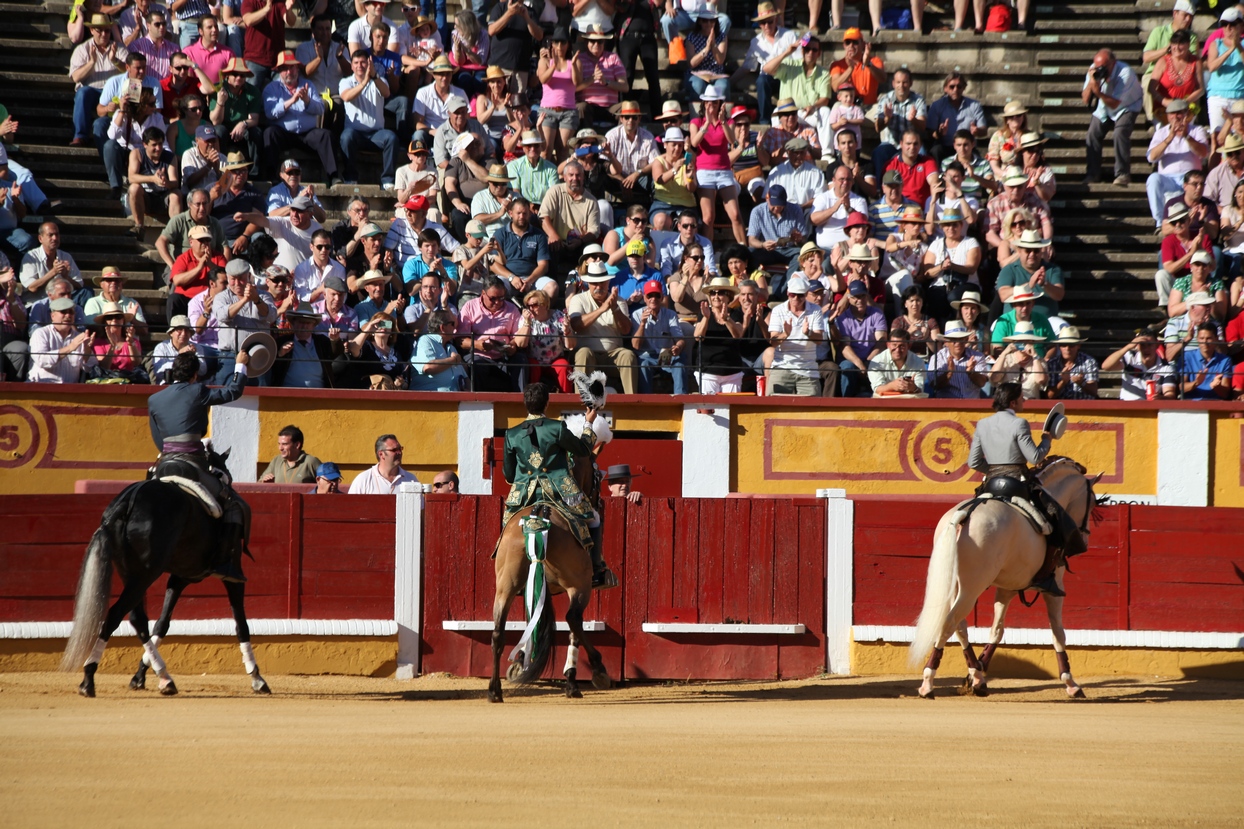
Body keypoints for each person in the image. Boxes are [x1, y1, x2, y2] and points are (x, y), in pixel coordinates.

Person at [967, 382, 1085, 597]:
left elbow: (973, 462)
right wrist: (1046, 440)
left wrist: (995, 472)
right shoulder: (1019, 423)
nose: (1024, 401)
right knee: (1055, 519)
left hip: (990, 485)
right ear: (1013, 402)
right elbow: (1036, 457)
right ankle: (1045, 576)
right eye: (1022, 398)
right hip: (1016, 485)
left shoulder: (982, 424)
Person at [146, 349, 251, 581]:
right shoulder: (197, 391)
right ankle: (224, 562)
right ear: (195, 374)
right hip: (191, 464)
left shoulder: (154, 399)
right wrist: (240, 366)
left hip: (163, 465)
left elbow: (157, 439)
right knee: (233, 504)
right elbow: (233, 391)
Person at [261, 51, 340, 187]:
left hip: (307, 134)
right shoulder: (271, 88)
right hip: (283, 133)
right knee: (269, 133)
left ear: (297, 68)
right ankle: (270, 175)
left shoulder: (308, 85)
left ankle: (333, 176)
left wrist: (307, 101)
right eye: (285, 68)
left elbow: (320, 109)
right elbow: (270, 113)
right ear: (279, 70)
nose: (289, 71)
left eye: (292, 67)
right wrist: (291, 101)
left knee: (325, 135)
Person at [568, 263, 637, 394]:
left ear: (608, 282)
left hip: (612, 355)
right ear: (588, 283)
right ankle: (580, 402)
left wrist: (615, 308)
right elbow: (576, 325)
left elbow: (626, 330)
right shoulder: (578, 299)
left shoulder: (619, 301)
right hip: (589, 355)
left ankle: (631, 402)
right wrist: (602, 309)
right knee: (583, 353)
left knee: (628, 355)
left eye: (602, 283)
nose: (599, 287)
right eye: (595, 283)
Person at [1082, 49, 1143, 186]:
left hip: (1127, 106)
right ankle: (1093, 174)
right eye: (1097, 67)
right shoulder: (1093, 70)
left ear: (1113, 64)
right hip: (1104, 107)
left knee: (1120, 133)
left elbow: (1115, 104)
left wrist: (1099, 93)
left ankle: (1123, 174)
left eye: (1103, 67)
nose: (1099, 70)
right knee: (1092, 134)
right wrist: (1091, 85)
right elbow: (1086, 100)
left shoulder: (1125, 73)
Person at [1145, 99, 1209, 228]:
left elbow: (1203, 153)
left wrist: (1186, 136)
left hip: (1190, 178)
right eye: (1172, 114)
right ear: (1168, 116)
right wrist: (1169, 138)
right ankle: (1159, 223)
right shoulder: (1161, 133)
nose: (1175, 117)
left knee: (1196, 183)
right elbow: (1151, 157)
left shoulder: (1197, 130)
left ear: (1186, 114)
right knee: (1153, 179)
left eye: (1179, 113)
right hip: (1168, 179)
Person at [456, 275, 521, 391]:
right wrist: (476, 344)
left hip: (503, 356)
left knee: (521, 360)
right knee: (476, 365)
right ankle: (477, 404)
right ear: (483, 293)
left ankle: (521, 401)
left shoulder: (512, 309)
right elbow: (460, 339)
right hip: (478, 355)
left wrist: (513, 345)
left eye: (501, 298)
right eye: (493, 298)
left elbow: (517, 337)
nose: (497, 302)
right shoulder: (470, 307)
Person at [734, 2, 796, 122]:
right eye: (763, 22)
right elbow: (747, 67)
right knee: (762, 80)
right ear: (759, 24)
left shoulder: (789, 35)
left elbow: (799, 61)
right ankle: (764, 121)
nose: (766, 25)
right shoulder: (756, 42)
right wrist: (730, 82)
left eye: (770, 21)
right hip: (768, 79)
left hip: (787, 78)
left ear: (776, 19)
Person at [767, 275, 824, 396]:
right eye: (793, 295)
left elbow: (819, 340)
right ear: (788, 293)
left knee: (812, 411)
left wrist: (808, 333)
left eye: (800, 295)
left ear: (806, 294)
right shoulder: (778, 310)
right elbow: (773, 342)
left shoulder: (816, 310)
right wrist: (785, 334)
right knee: (772, 406)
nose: (796, 298)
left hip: (808, 368)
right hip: (782, 366)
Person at [630, 278, 687, 393]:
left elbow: (680, 339)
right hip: (646, 356)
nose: (653, 299)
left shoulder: (670, 314)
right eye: (650, 295)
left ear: (662, 297)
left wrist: (678, 347)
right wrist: (642, 324)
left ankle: (681, 399)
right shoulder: (636, 314)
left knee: (679, 363)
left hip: (664, 353)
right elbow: (635, 346)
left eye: (657, 295)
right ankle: (645, 402)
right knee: (644, 365)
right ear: (645, 298)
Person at [513, 287, 573, 392]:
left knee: (564, 366)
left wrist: (567, 330)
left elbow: (571, 345)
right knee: (532, 367)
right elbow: (520, 344)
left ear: (545, 305)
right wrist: (527, 323)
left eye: (535, 305)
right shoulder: (526, 318)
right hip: (534, 359)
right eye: (528, 306)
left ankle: (565, 400)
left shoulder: (558, 316)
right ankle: (532, 398)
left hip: (555, 359)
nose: (531, 309)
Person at [26, 297, 98, 384]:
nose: (68, 315)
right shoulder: (40, 333)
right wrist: (70, 347)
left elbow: (90, 368)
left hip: (69, 391)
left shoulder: (79, 337)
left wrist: (87, 351)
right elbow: (42, 360)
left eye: (71, 312)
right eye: (63, 312)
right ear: (52, 316)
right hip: (41, 388)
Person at [693, 275, 744, 393]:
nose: (716, 296)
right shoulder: (703, 313)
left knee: (731, 409)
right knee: (710, 408)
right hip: (708, 371)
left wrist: (727, 320)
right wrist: (706, 318)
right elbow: (697, 337)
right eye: (712, 293)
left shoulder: (736, 314)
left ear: (728, 296)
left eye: (720, 293)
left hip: (732, 372)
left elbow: (738, 335)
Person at [870, 67, 926, 174]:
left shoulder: (918, 100)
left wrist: (913, 120)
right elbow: (878, 128)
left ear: (910, 83)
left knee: (922, 154)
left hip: (911, 144)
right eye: (898, 82)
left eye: (905, 82)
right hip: (890, 143)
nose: (901, 86)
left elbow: (923, 126)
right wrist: (887, 118)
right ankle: (878, 189)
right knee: (878, 153)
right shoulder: (885, 99)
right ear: (893, 83)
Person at [927, 72, 987, 162]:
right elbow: (930, 133)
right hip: (945, 146)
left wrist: (977, 131)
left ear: (964, 88)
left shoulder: (974, 105)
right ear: (945, 88)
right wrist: (939, 133)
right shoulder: (937, 105)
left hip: (966, 147)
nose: (955, 90)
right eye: (952, 87)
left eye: (959, 87)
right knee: (935, 150)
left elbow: (984, 131)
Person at [761, 33, 829, 113]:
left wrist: (813, 107)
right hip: (788, 112)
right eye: (807, 49)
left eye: (814, 50)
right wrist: (787, 52)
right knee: (777, 111)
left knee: (825, 111)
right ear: (802, 51)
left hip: (810, 112)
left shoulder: (824, 73)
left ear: (819, 53)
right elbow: (766, 69)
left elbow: (825, 99)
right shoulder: (790, 65)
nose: (810, 52)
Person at [928, 320, 988, 399]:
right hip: (947, 407)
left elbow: (982, 383)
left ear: (966, 340)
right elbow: (934, 385)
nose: (958, 343)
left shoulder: (977, 356)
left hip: (972, 407)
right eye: (954, 339)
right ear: (946, 342)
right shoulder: (938, 358)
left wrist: (971, 373)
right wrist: (949, 373)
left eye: (961, 339)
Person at [412, 308, 468, 390]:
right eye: (452, 324)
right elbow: (429, 367)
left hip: (456, 398)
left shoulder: (451, 347)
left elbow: (465, 377)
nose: (455, 328)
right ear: (442, 328)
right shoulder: (425, 340)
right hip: (432, 399)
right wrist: (454, 360)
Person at [828, 28, 884, 108]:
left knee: (878, 110)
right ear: (844, 45)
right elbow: (835, 87)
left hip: (870, 107)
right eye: (848, 42)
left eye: (855, 42)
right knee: (837, 106)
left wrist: (868, 64)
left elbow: (882, 79)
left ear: (863, 44)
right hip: (847, 107)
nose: (851, 45)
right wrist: (850, 69)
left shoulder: (875, 61)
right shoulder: (837, 65)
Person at [349, 434, 420, 493]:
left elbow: (421, 508)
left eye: (400, 449)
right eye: (394, 450)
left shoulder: (411, 479)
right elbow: (350, 507)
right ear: (381, 454)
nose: (399, 452)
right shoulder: (363, 480)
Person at [867, 330, 927, 398]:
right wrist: (892, 386)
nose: (897, 350)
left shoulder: (918, 362)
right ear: (888, 345)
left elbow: (920, 390)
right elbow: (877, 389)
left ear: (909, 346)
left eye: (902, 346)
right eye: (894, 345)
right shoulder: (877, 361)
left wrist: (913, 388)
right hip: (884, 403)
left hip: (909, 403)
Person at [1044, 326, 1099, 400]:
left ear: (1078, 345)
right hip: (1060, 406)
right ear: (1059, 346)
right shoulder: (1052, 364)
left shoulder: (1089, 362)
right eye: (1063, 345)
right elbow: (1049, 396)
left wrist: (1081, 383)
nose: (1067, 348)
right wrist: (1063, 382)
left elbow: (1094, 391)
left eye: (1071, 345)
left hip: (1083, 406)